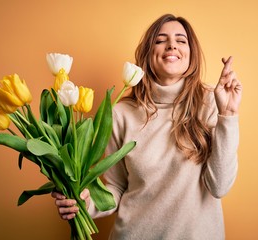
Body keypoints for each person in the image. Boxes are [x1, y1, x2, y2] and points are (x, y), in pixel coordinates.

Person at [52, 13, 242, 240]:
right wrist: (85, 203)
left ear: (191, 54)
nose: (172, 45)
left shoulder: (211, 102)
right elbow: (116, 187)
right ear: (148, 54)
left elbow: (219, 187)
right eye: (161, 40)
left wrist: (228, 114)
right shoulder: (121, 114)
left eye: (181, 41)